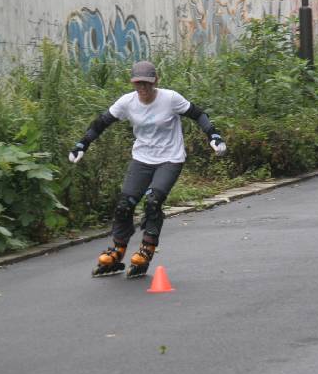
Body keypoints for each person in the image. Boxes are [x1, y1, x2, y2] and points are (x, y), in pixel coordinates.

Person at [68, 61, 227, 278]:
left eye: (147, 83)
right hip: (142, 159)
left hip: (170, 159)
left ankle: (146, 250)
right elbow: (101, 122)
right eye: (138, 83)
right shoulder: (127, 102)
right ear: (132, 83)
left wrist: (213, 135)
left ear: (155, 81)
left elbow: (199, 114)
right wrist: (82, 144)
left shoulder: (170, 98)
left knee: (153, 201)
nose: (142, 88)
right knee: (124, 205)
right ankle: (118, 250)